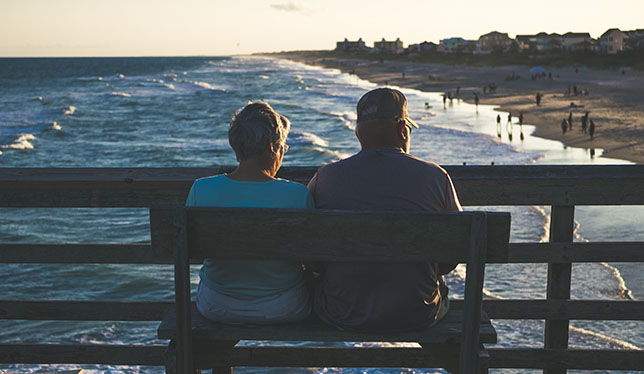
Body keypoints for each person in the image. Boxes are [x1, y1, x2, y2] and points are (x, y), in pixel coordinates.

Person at [307, 88, 462, 333]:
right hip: (417, 313)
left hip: (342, 312)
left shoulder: (325, 177)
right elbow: (456, 249)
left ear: (358, 134)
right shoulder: (436, 176)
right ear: (402, 130)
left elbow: (309, 252)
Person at [186, 101, 313, 324]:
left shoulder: (201, 189)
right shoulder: (297, 195)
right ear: (271, 147)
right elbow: (313, 259)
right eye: (283, 146)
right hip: (283, 307)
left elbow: (194, 252)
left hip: (216, 306)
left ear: (236, 148)